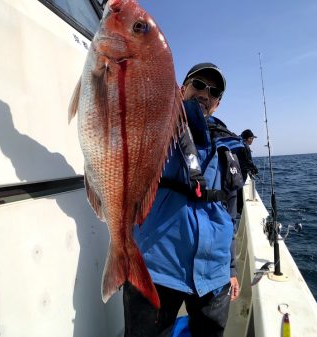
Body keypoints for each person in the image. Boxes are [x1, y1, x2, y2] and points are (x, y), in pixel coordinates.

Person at [123, 63, 246, 337]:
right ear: (182, 88)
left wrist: (231, 268)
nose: (205, 93)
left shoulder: (229, 147)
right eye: (199, 85)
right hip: (155, 267)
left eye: (213, 91)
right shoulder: (155, 126)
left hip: (213, 274)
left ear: (217, 104)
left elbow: (231, 212)